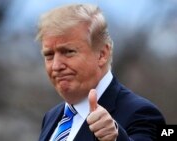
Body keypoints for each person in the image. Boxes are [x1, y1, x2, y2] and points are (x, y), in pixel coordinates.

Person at [36, 3, 166, 141]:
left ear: (102, 54)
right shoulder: (51, 117)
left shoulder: (142, 114)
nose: (56, 66)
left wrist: (115, 138)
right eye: (49, 55)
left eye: (68, 52)